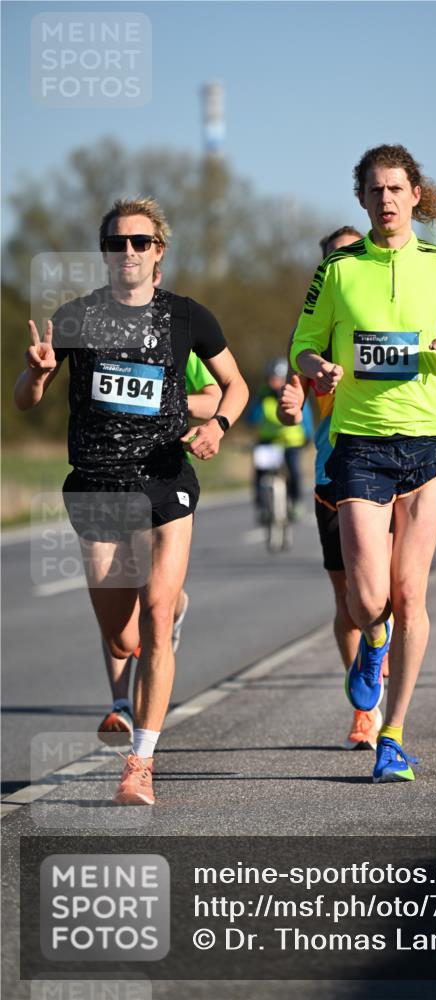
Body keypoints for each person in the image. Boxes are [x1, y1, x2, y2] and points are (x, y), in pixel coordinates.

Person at [15, 197, 249, 805]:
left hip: (163, 478)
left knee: (154, 610)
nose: (128, 252)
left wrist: (219, 426)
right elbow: (23, 401)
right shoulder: (76, 317)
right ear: (105, 252)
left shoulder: (188, 317)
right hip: (96, 483)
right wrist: (37, 375)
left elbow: (237, 384)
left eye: (139, 242)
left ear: (158, 252)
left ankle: (140, 763)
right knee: (123, 640)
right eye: (117, 243)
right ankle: (165, 618)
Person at [290, 144, 436, 782]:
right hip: (361, 443)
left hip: (429, 439)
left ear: (415, 195)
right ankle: (374, 643)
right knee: (368, 598)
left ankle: (393, 735)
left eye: (397, 188)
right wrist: (315, 366)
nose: (387, 199)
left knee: (411, 591)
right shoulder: (340, 270)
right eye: (375, 190)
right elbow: (303, 343)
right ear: (363, 199)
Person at [279, 224, 389, 751]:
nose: (343, 267)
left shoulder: (392, 310)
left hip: (393, 471)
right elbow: (292, 383)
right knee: (348, 601)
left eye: (352, 256)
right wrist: (291, 399)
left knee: (393, 593)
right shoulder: (314, 330)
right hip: (333, 476)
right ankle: (365, 709)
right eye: (333, 262)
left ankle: (382, 655)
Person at [97, 351, 221, 738]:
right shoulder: (99, 339)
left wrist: (164, 402)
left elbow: (214, 396)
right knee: (120, 603)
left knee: (154, 604)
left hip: (162, 479)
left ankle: (137, 730)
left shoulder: (178, 334)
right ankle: (119, 702)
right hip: (110, 478)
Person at [247, 357, 312, 521]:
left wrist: (307, 436)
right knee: (259, 473)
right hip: (268, 442)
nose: (273, 382)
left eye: (277, 378)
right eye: (271, 378)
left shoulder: (294, 393)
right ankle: (262, 506)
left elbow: (306, 417)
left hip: (291, 442)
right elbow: (252, 419)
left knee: (294, 471)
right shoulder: (263, 395)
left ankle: (296, 502)